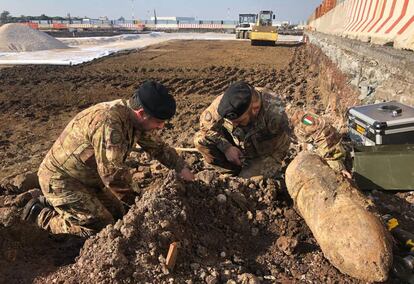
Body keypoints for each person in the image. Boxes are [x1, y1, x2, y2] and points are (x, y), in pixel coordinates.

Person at [22, 80, 194, 237]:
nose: (161, 126)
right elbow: (112, 175)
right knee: (102, 228)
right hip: (62, 180)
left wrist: (182, 168)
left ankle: (58, 203)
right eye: (158, 122)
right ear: (142, 113)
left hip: (90, 179)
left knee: (121, 213)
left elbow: (159, 148)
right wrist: (142, 204)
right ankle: (41, 214)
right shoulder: (110, 123)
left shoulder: (134, 120)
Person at [194, 81, 290, 178]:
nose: (234, 125)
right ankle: (231, 173)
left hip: (267, 154)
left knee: (247, 180)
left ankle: (245, 175)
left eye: (239, 121)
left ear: (255, 109)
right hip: (240, 149)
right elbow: (205, 127)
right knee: (201, 139)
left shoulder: (276, 107)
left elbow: (303, 120)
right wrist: (227, 148)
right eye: (231, 121)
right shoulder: (225, 103)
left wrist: (305, 126)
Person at [290, 110, 351, 178]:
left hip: (332, 148)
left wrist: (340, 168)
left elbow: (324, 135)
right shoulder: (304, 120)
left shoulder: (305, 121)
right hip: (328, 144)